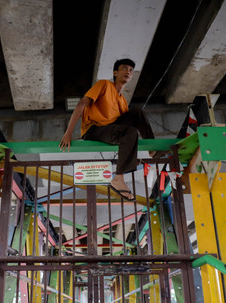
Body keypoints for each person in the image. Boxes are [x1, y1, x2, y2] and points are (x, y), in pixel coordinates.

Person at [60, 58, 155, 201]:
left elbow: (128, 124)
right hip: (93, 129)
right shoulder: (104, 84)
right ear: (115, 72)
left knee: (138, 113)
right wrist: (68, 133)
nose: (128, 72)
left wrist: (130, 151)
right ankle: (118, 178)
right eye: (124, 68)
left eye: (131, 70)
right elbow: (82, 103)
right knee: (130, 132)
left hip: (112, 128)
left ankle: (154, 151)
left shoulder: (122, 100)